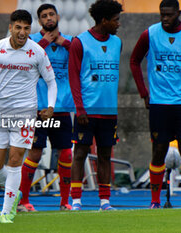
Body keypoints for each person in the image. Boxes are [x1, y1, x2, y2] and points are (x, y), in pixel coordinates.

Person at [0, 9, 57, 223]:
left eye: (26, 28)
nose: (22, 32)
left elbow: (51, 82)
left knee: (15, 160)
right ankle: (15, 192)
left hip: (25, 112)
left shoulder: (37, 52)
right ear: (11, 27)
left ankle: (7, 210)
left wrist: (50, 106)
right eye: (18, 28)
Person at [130, 0, 181, 209]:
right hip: (159, 104)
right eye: (162, 14)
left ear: (178, 13)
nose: (165, 19)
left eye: (169, 15)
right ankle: (154, 201)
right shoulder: (151, 33)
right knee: (159, 150)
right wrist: (144, 93)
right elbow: (134, 60)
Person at [18, 3, 74, 212]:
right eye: (44, 16)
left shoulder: (70, 41)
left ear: (58, 16)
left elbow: (82, 58)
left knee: (66, 154)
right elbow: (23, 63)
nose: (49, 18)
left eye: (51, 14)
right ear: (39, 21)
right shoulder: (32, 40)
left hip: (61, 107)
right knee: (34, 153)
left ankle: (65, 202)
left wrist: (64, 43)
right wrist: (44, 43)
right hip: (38, 108)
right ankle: (23, 201)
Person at [68, 0, 122, 211]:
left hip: (109, 111)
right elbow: (73, 77)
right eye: (116, 20)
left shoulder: (117, 42)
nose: (119, 24)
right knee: (80, 153)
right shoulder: (79, 42)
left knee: (105, 155)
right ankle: (76, 201)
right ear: (104, 20)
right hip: (86, 112)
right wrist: (79, 108)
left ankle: (105, 201)